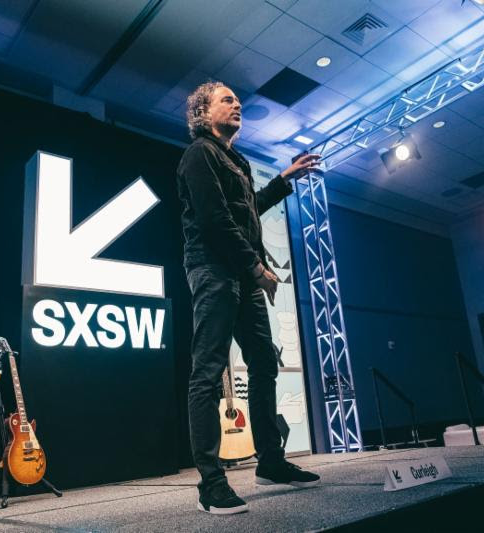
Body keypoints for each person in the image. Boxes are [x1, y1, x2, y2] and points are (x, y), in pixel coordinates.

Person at [176, 81, 322, 515]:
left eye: (237, 99)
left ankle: (271, 462)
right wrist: (256, 268)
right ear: (202, 113)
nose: (237, 103)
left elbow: (246, 210)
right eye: (226, 99)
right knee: (208, 372)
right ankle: (211, 482)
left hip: (241, 272)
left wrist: (283, 179)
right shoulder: (198, 154)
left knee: (263, 363)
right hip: (214, 269)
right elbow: (216, 220)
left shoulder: (232, 160)